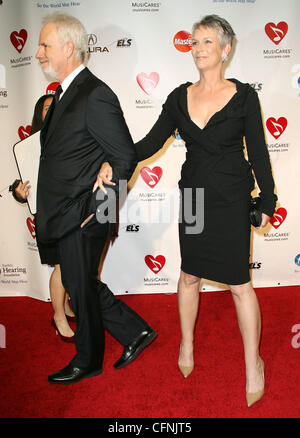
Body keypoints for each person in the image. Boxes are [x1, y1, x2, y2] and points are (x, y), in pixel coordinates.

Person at [97, 15, 277, 407]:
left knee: (240, 284)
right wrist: (115, 158)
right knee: (189, 274)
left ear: (226, 50)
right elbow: (148, 142)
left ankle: (253, 364)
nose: (198, 48)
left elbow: (259, 153)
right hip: (193, 197)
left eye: (207, 42)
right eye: (194, 42)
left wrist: (268, 200)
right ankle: (187, 345)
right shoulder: (179, 97)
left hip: (231, 199)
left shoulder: (244, 96)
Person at [35, 12, 157, 385]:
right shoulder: (62, 94)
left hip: (82, 214)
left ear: (68, 48)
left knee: (78, 284)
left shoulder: (94, 93)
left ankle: (87, 359)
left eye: (45, 45)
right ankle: (135, 331)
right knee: (80, 282)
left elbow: (124, 155)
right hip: (64, 211)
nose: (38, 53)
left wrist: (98, 210)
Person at [11, 93, 75, 341]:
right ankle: (58, 317)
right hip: (47, 215)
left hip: (69, 211)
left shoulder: (70, 140)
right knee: (61, 265)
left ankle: (66, 306)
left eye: (54, 107)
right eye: (46, 108)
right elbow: (19, 183)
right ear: (39, 114)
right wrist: (19, 192)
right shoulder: (29, 145)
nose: (51, 111)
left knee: (70, 264)